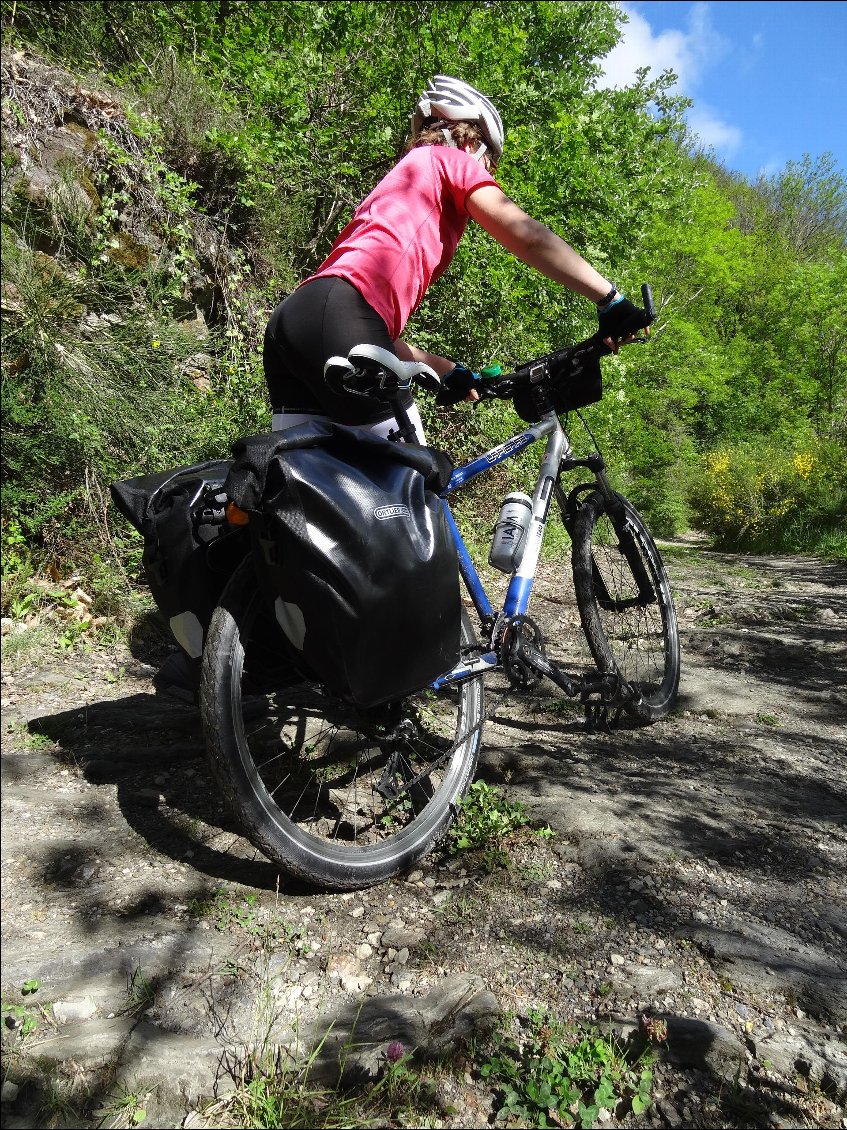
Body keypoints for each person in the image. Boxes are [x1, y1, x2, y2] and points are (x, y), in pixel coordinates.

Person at [263, 75, 650, 441]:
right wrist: (610, 299)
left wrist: (449, 371)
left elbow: (366, 331)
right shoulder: (449, 160)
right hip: (338, 317)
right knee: (415, 487)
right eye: (489, 162)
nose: (488, 172)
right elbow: (526, 235)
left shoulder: (401, 186)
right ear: (471, 143)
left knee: (305, 491)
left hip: (294, 322)